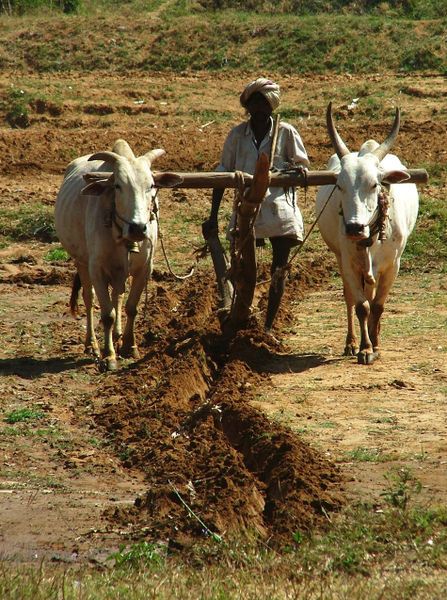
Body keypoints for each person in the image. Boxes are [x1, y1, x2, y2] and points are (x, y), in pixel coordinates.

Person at [202, 77, 310, 333]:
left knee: (279, 270)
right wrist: (213, 215)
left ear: (272, 106)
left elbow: (303, 168)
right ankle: (241, 316)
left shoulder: (286, 132)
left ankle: (268, 327)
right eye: (254, 103)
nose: (260, 109)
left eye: (264, 103)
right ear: (247, 106)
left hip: (279, 209)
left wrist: (281, 172)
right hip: (245, 213)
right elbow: (223, 174)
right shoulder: (237, 136)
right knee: (243, 270)